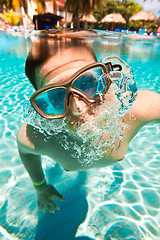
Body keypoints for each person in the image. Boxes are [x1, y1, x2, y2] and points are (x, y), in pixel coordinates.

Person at [17, 33, 160, 214]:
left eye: (86, 83)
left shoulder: (135, 110)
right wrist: (40, 187)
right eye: (56, 96)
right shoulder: (36, 137)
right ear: (44, 105)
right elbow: (25, 152)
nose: (78, 107)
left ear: (104, 79)